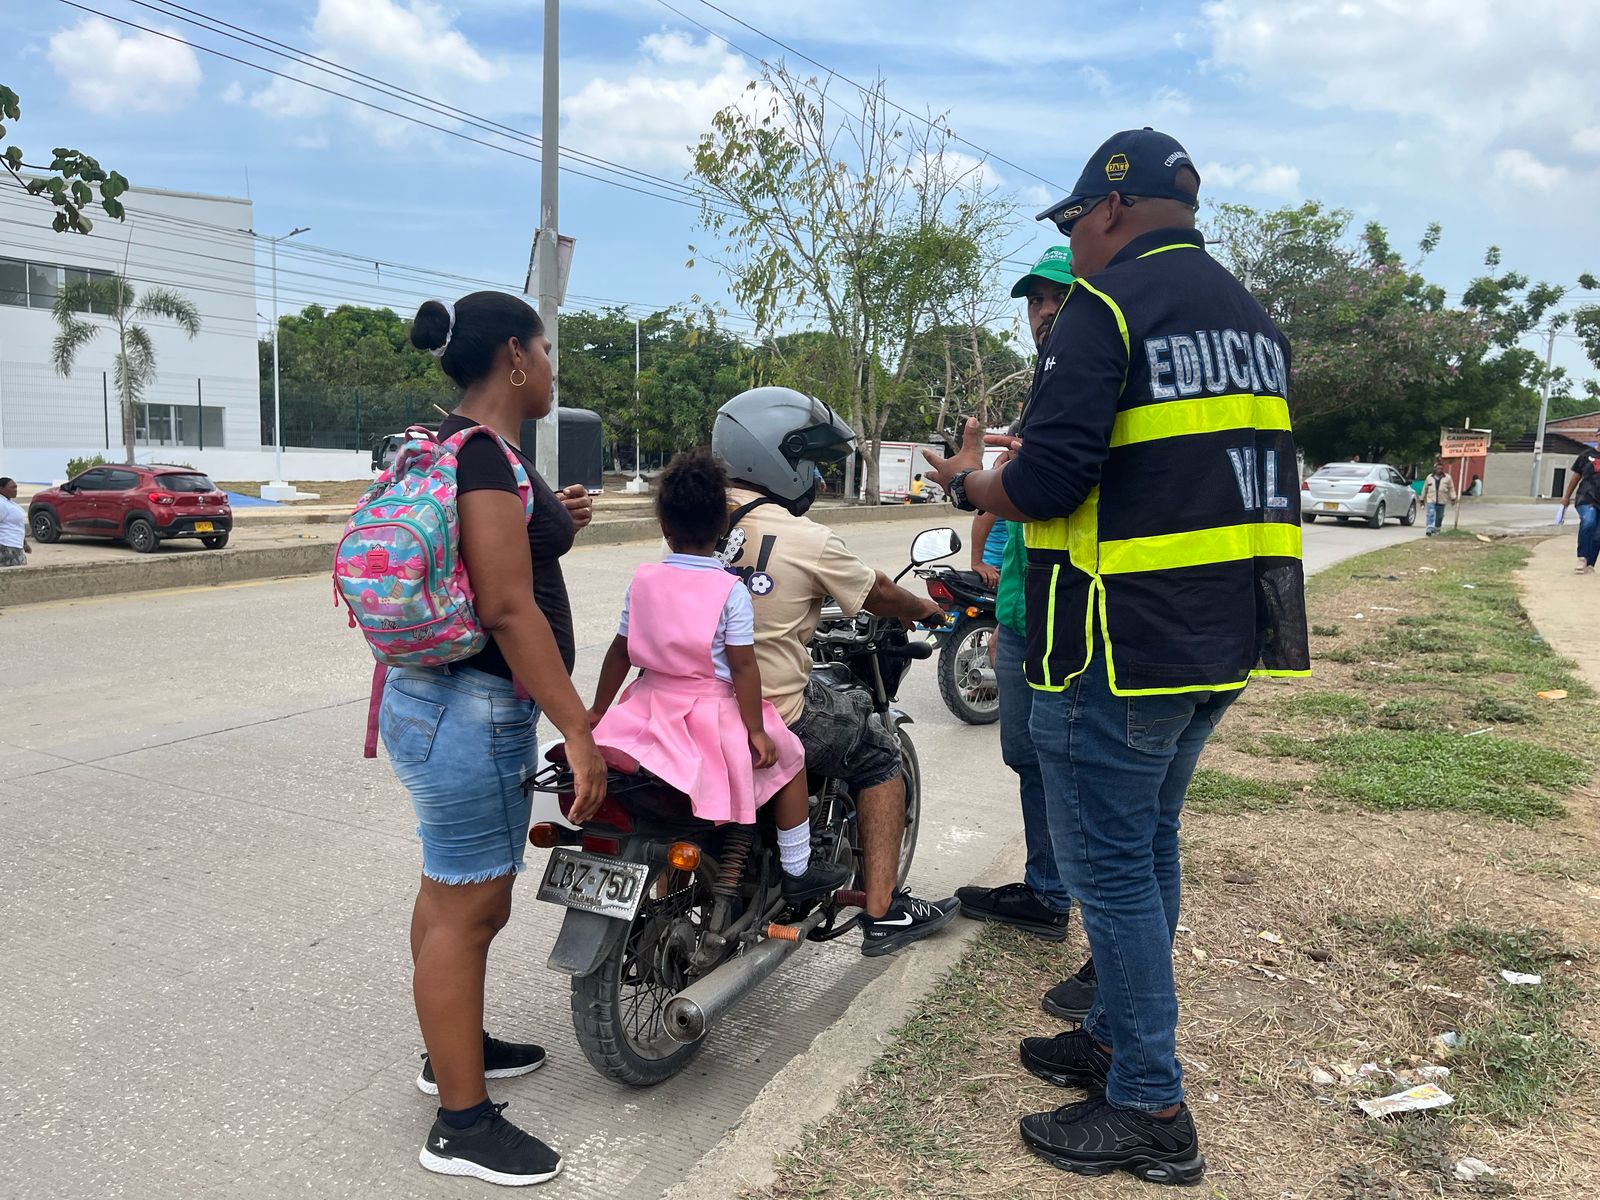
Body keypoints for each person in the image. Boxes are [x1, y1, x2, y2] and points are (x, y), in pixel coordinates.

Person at [923, 128, 1309, 1186]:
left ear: (1110, 211)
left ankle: (1147, 1102)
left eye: (1073, 226)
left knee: (1111, 871)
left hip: (1113, 642)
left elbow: (1045, 483)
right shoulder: (1251, 320)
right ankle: (1108, 1036)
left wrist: (966, 483)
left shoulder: (1104, 310)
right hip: (1218, 638)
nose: (1072, 250)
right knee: (1148, 847)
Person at [384, 292, 608, 1188]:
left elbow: (506, 567)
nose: (554, 368)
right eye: (547, 351)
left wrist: (563, 523)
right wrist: (580, 731)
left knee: (450, 895)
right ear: (516, 356)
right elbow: (510, 609)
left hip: (435, 700)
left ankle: (454, 1053)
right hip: (469, 709)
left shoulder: (457, 445)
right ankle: (461, 1127)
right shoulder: (482, 458)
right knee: (470, 909)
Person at [712, 387, 961, 956]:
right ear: (777, 456)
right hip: (767, 710)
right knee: (876, 749)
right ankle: (883, 910)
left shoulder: (691, 516)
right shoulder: (803, 536)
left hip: (687, 707)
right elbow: (875, 590)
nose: (815, 478)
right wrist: (924, 607)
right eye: (809, 462)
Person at [586, 448, 851, 903]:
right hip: (710, 711)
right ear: (724, 527)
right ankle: (797, 869)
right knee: (789, 760)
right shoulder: (729, 589)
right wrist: (756, 730)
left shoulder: (644, 579)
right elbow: (744, 667)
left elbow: (620, 651)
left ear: (664, 527)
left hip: (647, 704)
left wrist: (598, 709)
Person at [955, 249, 1091, 1003]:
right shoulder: (1047, 384)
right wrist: (1007, 618)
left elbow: (1039, 488)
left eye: (1056, 297)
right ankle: (1045, 890)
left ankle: (1077, 910)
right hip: (1023, 611)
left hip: (1074, 617)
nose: (1042, 312)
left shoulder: (1090, 378)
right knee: (1026, 754)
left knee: (1074, 764)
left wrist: (967, 477)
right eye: (1034, 301)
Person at [1560, 444, 1600, 574]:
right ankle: (1582, 558)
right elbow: (1575, 477)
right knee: (1589, 522)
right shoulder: (1586, 455)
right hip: (1586, 497)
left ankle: (1590, 564)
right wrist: (1566, 497)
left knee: (1598, 534)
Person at [1421, 459, 1457, 536]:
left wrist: (1453, 498)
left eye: (1441, 468)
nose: (1439, 470)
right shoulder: (1429, 477)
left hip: (1442, 500)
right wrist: (1422, 499)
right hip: (1431, 499)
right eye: (1438, 468)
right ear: (1434, 469)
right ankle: (1429, 528)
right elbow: (1425, 488)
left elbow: (1451, 488)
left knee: (1440, 516)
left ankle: (1437, 528)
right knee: (1430, 513)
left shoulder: (1447, 478)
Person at [0, 477, 31, 567]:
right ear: (1, 489)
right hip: (6, 546)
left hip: (16, 546)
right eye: (12, 487)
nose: (15, 490)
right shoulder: (1, 504)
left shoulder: (10, 503)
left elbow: (17, 525)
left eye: (16, 487)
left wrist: (24, 543)